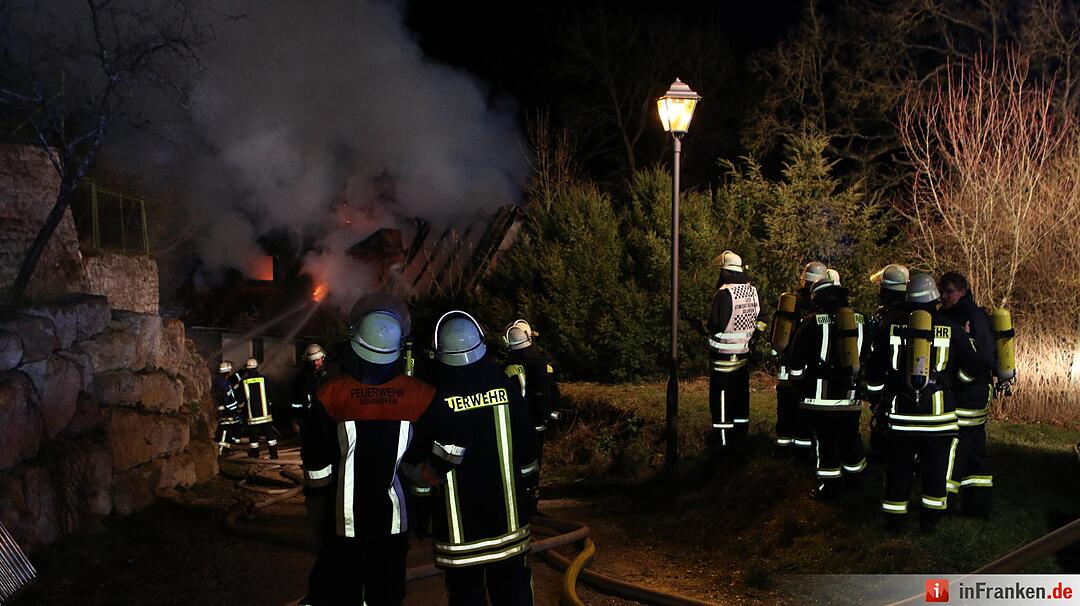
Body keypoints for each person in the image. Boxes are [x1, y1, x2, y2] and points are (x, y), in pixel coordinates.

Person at [299, 302, 436, 606]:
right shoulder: (420, 395)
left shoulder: (331, 393)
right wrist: (422, 503)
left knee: (339, 590)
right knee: (386, 593)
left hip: (343, 520)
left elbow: (316, 461)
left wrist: (317, 505)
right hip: (393, 522)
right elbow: (422, 461)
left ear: (354, 343)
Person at [405, 310, 538, 606]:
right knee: (513, 589)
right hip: (509, 523)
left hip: (459, 532)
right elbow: (527, 447)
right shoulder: (504, 386)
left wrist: (421, 509)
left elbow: (423, 464)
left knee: (466, 594)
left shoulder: (433, 397)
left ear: (439, 351)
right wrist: (529, 492)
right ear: (481, 343)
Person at [865, 273, 989, 533]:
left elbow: (874, 372)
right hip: (939, 419)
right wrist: (954, 381)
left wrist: (876, 398)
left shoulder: (890, 326)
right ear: (934, 298)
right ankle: (929, 523)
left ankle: (895, 523)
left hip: (901, 419)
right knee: (935, 472)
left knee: (898, 469)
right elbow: (978, 365)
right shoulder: (952, 328)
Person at [788, 278, 866, 499]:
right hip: (850, 399)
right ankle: (857, 481)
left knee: (826, 441)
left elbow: (795, 360)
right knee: (852, 438)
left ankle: (829, 488)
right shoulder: (860, 320)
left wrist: (797, 386)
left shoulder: (812, 322)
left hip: (820, 400)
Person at [938, 271, 995, 517]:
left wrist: (957, 381)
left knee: (953, 447)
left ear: (962, 291)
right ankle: (978, 505)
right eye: (942, 291)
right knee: (974, 452)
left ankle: (943, 501)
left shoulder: (974, 317)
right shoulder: (950, 315)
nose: (944, 296)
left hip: (969, 396)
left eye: (949, 291)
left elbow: (982, 360)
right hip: (969, 395)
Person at [705, 251, 761, 456]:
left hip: (723, 357)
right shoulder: (752, 291)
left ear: (724, 271)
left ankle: (722, 442)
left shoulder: (724, 293)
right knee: (740, 398)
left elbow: (717, 324)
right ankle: (741, 437)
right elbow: (759, 318)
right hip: (744, 355)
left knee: (721, 400)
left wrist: (703, 327)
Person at [775, 261, 829, 456]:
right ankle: (803, 451)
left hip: (785, 366)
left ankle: (782, 447)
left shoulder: (789, 302)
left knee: (785, 407)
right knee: (803, 409)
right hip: (807, 368)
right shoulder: (819, 306)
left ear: (803, 279)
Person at [503, 319, 560, 497]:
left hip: (521, 425)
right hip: (539, 422)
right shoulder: (543, 363)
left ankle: (523, 497)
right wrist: (550, 415)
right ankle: (532, 493)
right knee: (535, 462)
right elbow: (554, 394)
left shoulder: (510, 369)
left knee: (521, 463)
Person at [863, 264, 910, 461]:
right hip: (910, 380)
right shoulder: (917, 315)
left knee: (885, 421)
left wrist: (873, 392)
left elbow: (876, 356)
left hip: (888, 383)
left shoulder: (885, 318)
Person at [237, 357, 280, 459]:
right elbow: (272, 395)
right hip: (265, 416)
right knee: (271, 437)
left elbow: (241, 400)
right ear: (256, 368)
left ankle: (255, 456)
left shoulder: (243, 382)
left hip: (252, 417)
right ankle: (274, 455)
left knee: (253, 439)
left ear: (247, 369)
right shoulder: (264, 379)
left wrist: (239, 409)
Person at [291, 343, 329, 434]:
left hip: (328, 419)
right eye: (312, 361)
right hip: (308, 419)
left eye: (317, 360)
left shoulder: (331, 375)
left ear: (322, 358)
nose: (315, 363)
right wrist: (296, 419)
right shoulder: (301, 377)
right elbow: (296, 400)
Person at [212, 360, 243, 453]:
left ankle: (226, 451)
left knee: (229, 432)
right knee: (225, 433)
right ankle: (221, 453)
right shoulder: (224, 384)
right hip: (225, 413)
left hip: (224, 412)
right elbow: (228, 399)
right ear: (228, 372)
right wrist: (237, 405)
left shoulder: (221, 381)